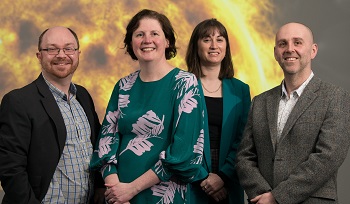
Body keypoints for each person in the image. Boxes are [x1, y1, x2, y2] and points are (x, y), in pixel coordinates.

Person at [90, 9, 208, 204]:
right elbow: (105, 143)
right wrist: (117, 192)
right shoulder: (123, 86)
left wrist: (131, 189)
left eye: (154, 33)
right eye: (139, 34)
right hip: (119, 196)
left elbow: (184, 152)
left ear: (167, 41)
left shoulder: (185, 84)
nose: (147, 40)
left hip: (163, 196)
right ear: (131, 42)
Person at [236, 22, 350, 204]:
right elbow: (244, 156)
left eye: (297, 43)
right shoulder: (260, 101)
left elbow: (329, 157)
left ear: (313, 50)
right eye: (283, 44)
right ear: (275, 53)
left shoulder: (335, 97)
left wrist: (277, 197)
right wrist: (263, 194)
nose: (290, 49)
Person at [0, 26, 105, 204]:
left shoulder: (84, 96)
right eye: (52, 49)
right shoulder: (18, 101)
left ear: (78, 53)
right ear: (39, 55)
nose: (61, 55)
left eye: (68, 48)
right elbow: (10, 169)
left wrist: (101, 186)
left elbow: (98, 146)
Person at [186, 19, 251, 204]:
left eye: (220, 39)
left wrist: (222, 176)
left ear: (226, 46)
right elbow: (179, 138)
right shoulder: (182, 86)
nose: (214, 45)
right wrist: (204, 179)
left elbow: (244, 139)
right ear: (196, 45)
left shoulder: (241, 90)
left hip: (229, 176)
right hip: (192, 178)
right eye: (207, 39)